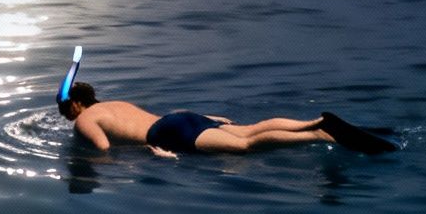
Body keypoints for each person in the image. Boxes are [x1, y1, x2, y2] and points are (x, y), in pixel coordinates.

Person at [57, 81, 397, 157]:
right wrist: (206, 117)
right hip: (181, 117)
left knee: (247, 146)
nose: (65, 114)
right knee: (251, 128)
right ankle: (309, 121)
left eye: (65, 108)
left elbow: (102, 150)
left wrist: (151, 153)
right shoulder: (116, 102)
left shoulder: (84, 120)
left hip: (167, 134)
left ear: (77, 104)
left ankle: (320, 134)